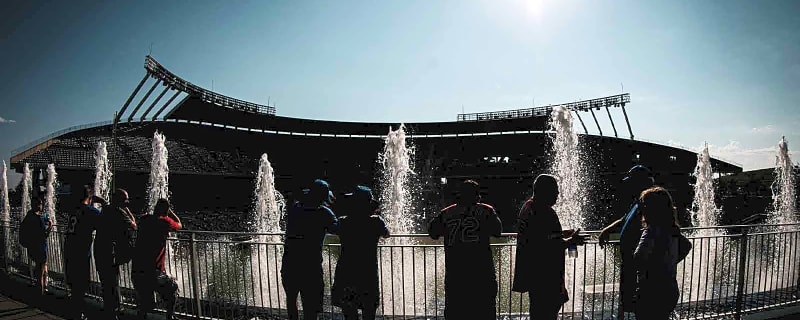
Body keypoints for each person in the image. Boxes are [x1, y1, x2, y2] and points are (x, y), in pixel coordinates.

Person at [511, 174, 586, 320]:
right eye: (555, 190)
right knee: (546, 311)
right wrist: (572, 240)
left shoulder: (529, 207)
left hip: (534, 272)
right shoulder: (542, 210)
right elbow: (547, 246)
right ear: (545, 191)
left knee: (539, 310)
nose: (558, 194)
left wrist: (564, 234)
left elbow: (542, 235)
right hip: (544, 274)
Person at [428, 179, 503, 319]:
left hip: (456, 272)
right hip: (481, 272)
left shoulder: (446, 213)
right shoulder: (486, 210)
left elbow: (433, 233)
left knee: (456, 311)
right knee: (485, 311)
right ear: (477, 196)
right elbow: (497, 231)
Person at [597, 165, 655, 317]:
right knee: (626, 302)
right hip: (629, 265)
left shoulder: (649, 203)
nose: (629, 185)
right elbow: (624, 219)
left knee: (640, 307)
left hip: (638, 269)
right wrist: (607, 230)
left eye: (632, 181)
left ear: (641, 182)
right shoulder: (638, 201)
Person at [281, 179, 339, 320]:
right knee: (311, 307)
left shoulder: (296, 208)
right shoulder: (324, 213)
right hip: (311, 266)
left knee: (291, 301)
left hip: (290, 263)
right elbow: (337, 229)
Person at [633, 186, 692, 320]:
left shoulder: (651, 231)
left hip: (651, 290)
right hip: (670, 287)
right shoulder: (672, 230)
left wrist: (650, 265)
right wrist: (670, 261)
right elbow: (687, 245)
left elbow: (639, 256)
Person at [331, 186, 389, 320]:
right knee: (369, 311)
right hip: (367, 273)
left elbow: (332, 229)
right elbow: (387, 234)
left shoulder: (344, 221)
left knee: (349, 311)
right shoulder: (376, 222)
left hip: (347, 272)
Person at [132, 198, 182, 320]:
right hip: (153, 271)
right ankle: (169, 317)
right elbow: (179, 225)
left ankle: (142, 314)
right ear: (166, 211)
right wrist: (170, 213)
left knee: (146, 304)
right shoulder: (165, 222)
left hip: (137, 270)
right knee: (173, 288)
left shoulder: (144, 219)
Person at [94, 188, 138, 319]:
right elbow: (134, 225)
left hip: (100, 251)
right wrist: (128, 210)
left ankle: (110, 310)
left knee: (106, 283)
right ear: (120, 200)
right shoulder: (119, 212)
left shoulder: (106, 209)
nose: (127, 201)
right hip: (110, 254)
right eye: (126, 199)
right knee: (112, 283)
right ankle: (113, 313)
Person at [64, 186, 105, 319]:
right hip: (81, 253)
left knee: (74, 285)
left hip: (69, 250)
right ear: (91, 197)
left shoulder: (74, 210)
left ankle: (75, 311)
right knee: (81, 285)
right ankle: (77, 313)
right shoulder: (90, 211)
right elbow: (106, 222)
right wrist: (103, 203)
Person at [20, 196, 52, 296]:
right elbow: (44, 235)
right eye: (41, 204)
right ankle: (41, 293)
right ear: (38, 205)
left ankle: (42, 288)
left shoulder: (29, 216)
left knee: (42, 268)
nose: (42, 206)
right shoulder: (38, 219)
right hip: (40, 248)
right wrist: (50, 226)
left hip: (31, 247)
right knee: (41, 271)